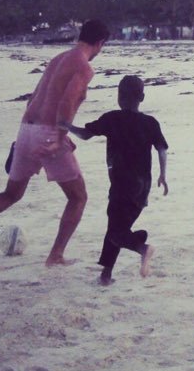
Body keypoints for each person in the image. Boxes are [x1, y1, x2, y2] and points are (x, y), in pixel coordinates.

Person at [0, 19, 109, 266]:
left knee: (12, 193)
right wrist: (60, 138)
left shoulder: (58, 59)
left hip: (26, 129)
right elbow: (67, 102)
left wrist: (39, 136)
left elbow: (34, 97)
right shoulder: (84, 67)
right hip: (48, 133)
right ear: (100, 43)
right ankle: (55, 256)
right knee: (78, 197)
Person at [66, 75, 168, 286]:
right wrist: (163, 176)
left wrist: (66, 126)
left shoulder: (112, 119)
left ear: (119, 97)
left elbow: (85, 135)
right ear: (141, 97)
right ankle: (106, 275)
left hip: (122, 184)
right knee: (117, 227)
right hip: (143, 186)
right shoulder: (150, 122)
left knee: (116, 231)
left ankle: (142, 247)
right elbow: (162, 149)